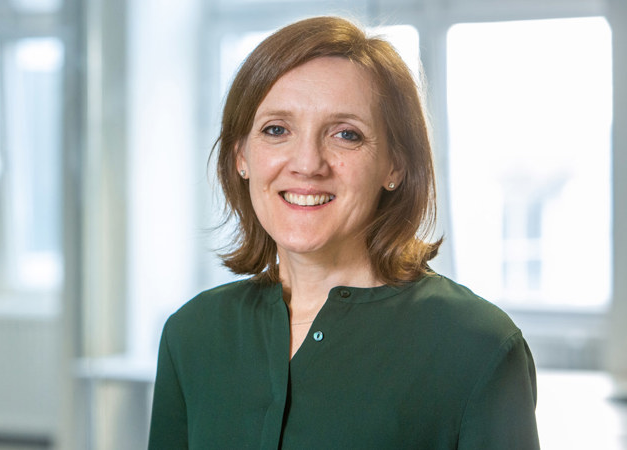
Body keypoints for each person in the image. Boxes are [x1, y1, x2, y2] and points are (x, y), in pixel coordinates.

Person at [148, 16, 540, 449]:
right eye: (277, 130)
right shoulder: (193, 334)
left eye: (346, 134)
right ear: (242, 156)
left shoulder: (476, 346)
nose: (307, 163)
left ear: (395, 165)